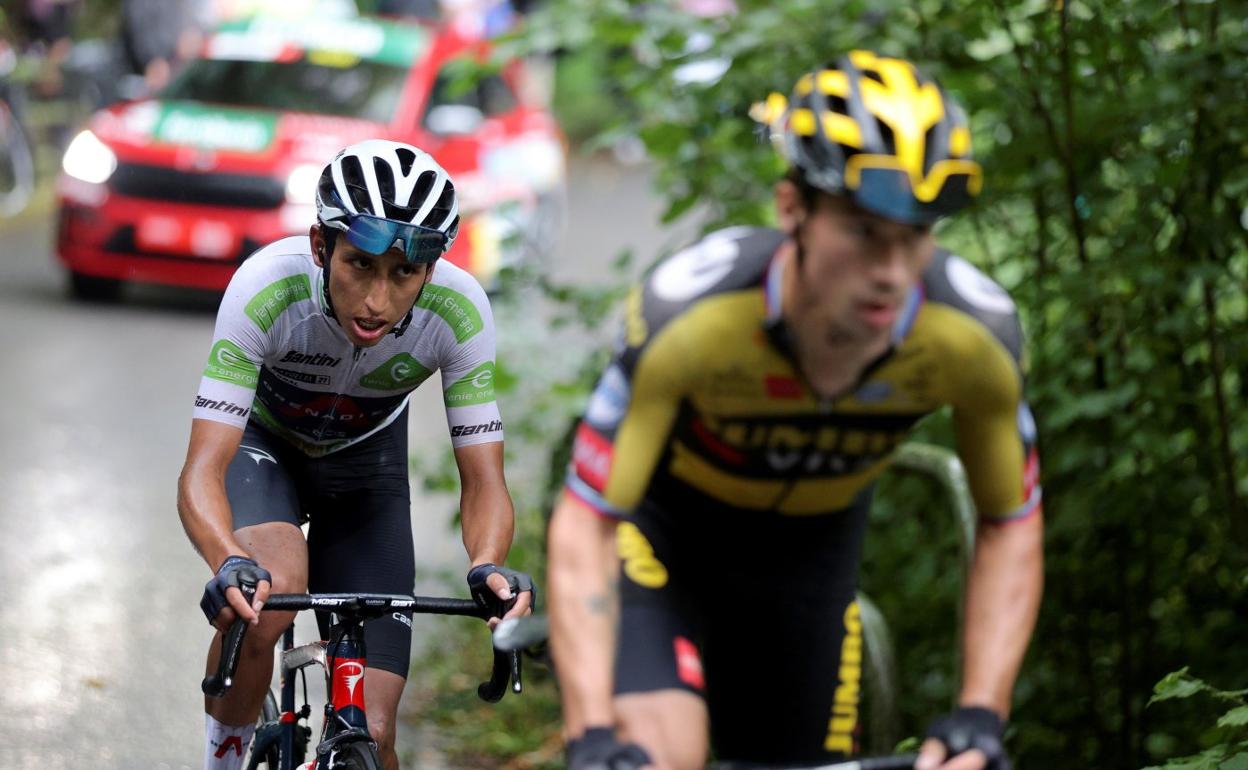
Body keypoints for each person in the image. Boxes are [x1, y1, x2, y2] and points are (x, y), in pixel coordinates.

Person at [546, 51, 1043, 770]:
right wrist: (591, 731)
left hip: (810, 565)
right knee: (662, 756)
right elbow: (588, 519)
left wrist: (980, 714)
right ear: (792, 209)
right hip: (661, 547)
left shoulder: (973, 337)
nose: (892, 272)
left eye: (915, 237)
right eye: (864, 231)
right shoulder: (690, 316)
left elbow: (1010, 520)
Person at [178, 139, 534, 770]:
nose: (377, 300)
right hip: (265, 449)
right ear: (321, 247)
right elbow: (203, 469)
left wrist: (488, 564)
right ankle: (223, 760)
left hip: (366, 470)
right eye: (360, 266)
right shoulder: (266, 289)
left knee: (376, 729)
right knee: (270, 591)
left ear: (431, 268)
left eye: (404, 274)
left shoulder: (458, 312)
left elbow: (483, 479)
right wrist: (228, 559)